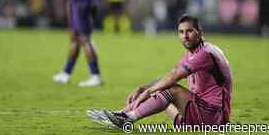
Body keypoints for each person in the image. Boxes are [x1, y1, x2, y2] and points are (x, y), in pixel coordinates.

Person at [87, 14, 232, 127]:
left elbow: (174, 77)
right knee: (161, 89)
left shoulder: (205, 53)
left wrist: (147, 91)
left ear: (200, 33)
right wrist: (143, 88)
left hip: (214, 117)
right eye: (181, 32)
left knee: (171, 89)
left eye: (189, 31)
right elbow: (169, 75)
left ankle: (128, 118)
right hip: (202, 113)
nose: (185, 36)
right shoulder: (193, 53)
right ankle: (120, 114)